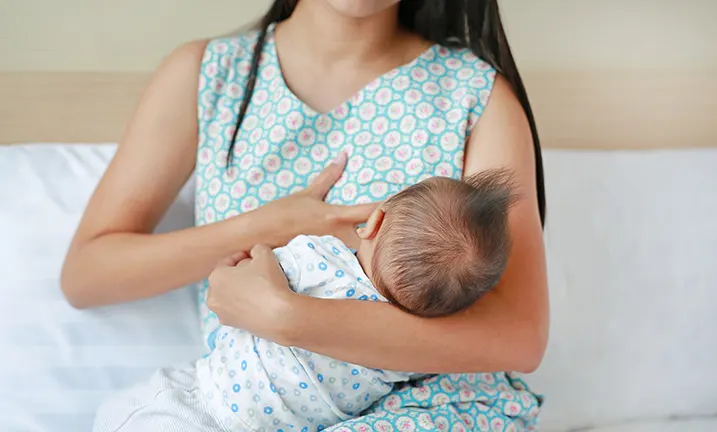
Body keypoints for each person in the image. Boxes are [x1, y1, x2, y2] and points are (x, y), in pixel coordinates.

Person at [62, 0, 549, 430]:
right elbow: (87, 274)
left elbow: (520, 340)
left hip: (435, 411)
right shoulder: (209, 75)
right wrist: (264, 227)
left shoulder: (476, 96)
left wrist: (291, 317)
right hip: (254, 410)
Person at [94, 170, 518, 432]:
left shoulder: (320, 257)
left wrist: (253, 256)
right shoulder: (405, 357)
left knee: (120, 416)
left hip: (201, 400)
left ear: (376, 220)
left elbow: (245, 279)